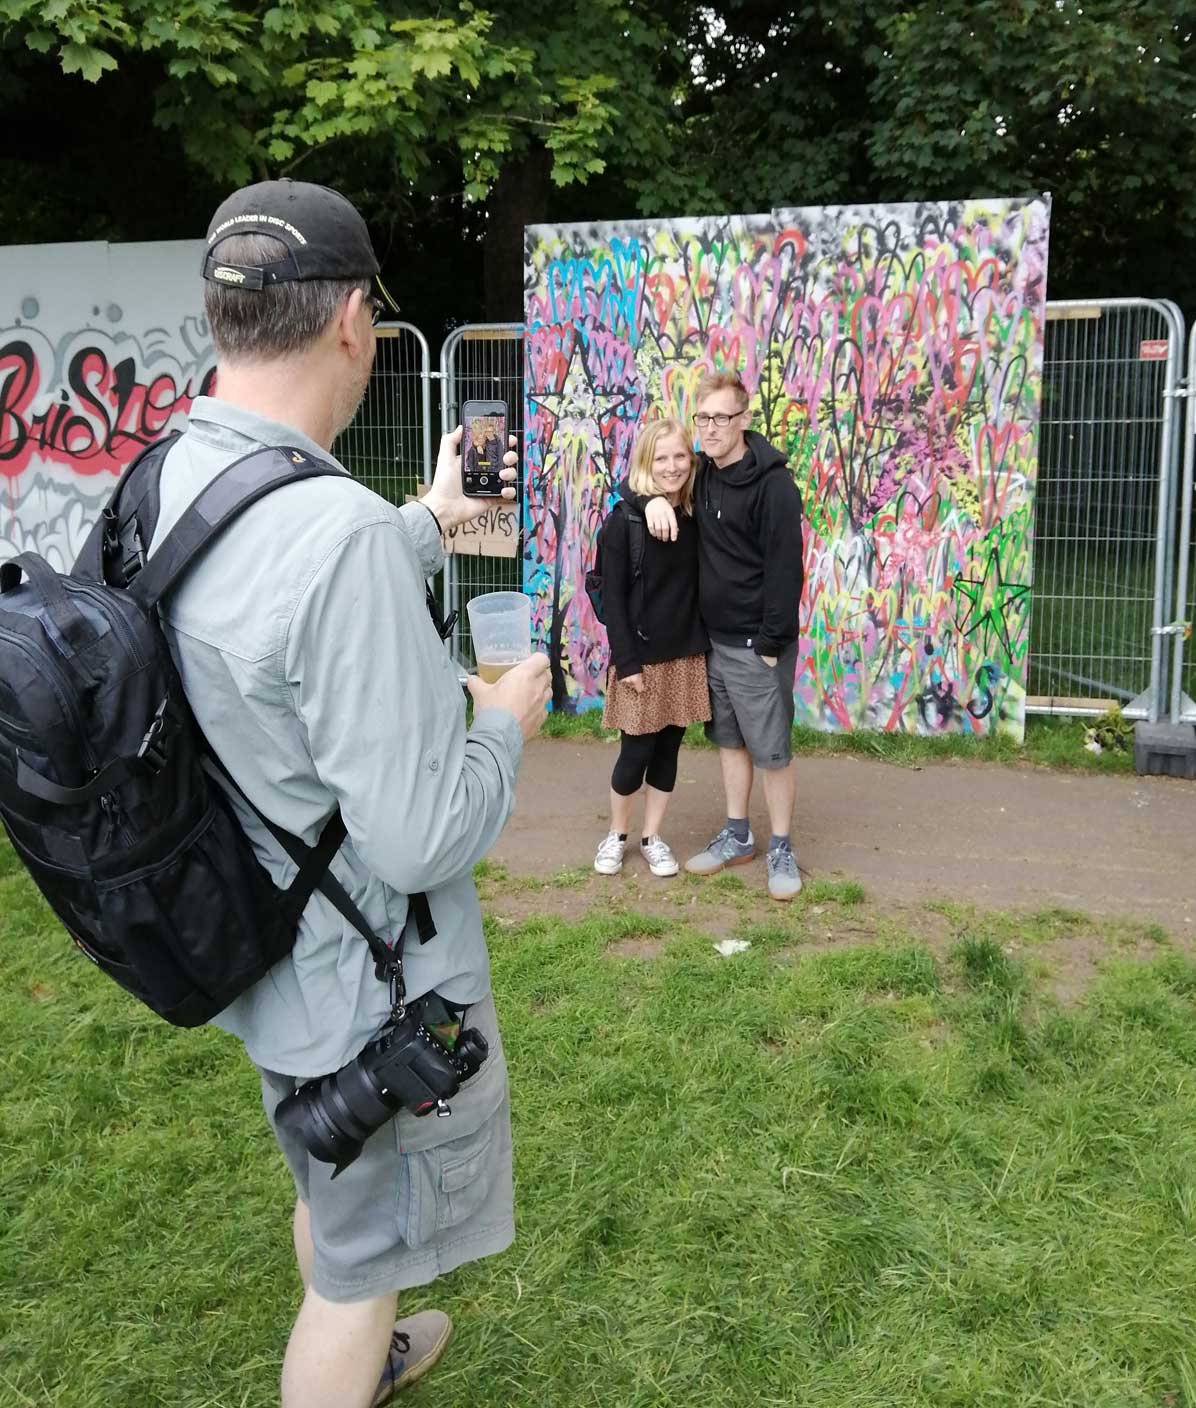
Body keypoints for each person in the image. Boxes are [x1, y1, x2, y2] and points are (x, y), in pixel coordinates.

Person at [152, 178, 551, 1408]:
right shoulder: (337, 538)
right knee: (360, 1269)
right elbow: (420, 836)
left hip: (264, 949)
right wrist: (504, 723)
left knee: (329, 1186)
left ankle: (364, 1350)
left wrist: (427, 519)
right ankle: (351, 1359)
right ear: (350, 323)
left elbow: (275, 607)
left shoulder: (171, 476)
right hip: (368, 987)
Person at [637, 372, 806, 901]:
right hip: (714, 642)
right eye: (703, 417)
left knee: (771, 752)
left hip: (759, 647)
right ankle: (739, 836)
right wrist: (649, 503)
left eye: (721, 418)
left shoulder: (774, 487)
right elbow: (647, 478)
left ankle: (781, 847)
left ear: (744, 419)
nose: (710, 428)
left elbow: (787, 571)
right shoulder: (703, 472)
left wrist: (772, 646)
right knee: (730, 743)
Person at [593, 419, 710, 878]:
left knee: (668, 754)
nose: (672, 466)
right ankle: (617, 835)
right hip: (640, 660)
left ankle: (651, 837)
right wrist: (627, 663)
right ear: (646, 462)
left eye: (680, 456)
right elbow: (612, 598)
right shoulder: (623, 522)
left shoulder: (697, 512)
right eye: (661, 458)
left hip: (685, 657)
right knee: (634, 754)